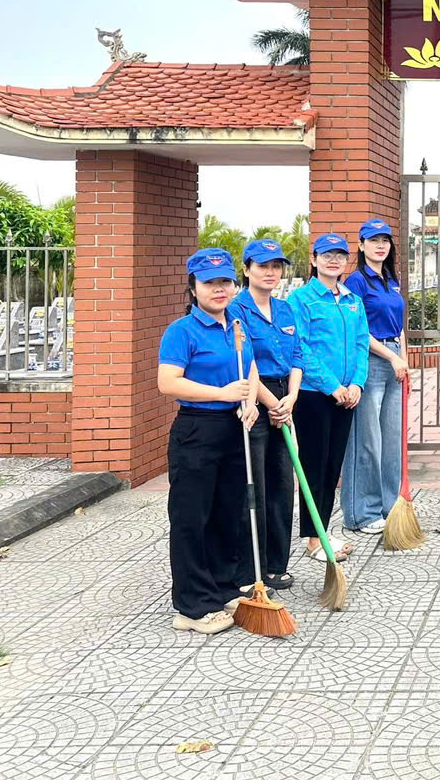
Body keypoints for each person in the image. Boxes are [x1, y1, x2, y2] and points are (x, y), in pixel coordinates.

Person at [156, 248, 258, 635]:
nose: (219, 289)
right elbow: (168, 382)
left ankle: (222, 587)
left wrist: (250, 402)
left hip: (234, 427)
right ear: (193, 288)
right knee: (191, 518)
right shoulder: (181, 331)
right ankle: (192, 605)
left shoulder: (237, 325)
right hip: (197, 429)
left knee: (227, 512)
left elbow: (250, 367)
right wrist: (222, 394)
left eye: (225, 282)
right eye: (209, 282)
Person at [286, 233, 368, 563]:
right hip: (315, 395)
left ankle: (323, 529)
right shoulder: (301, 299)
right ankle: (312, 538)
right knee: (314, 466)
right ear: (314, 260)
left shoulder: (352, 300)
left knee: (333, 466)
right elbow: (300, 348)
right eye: (326, 255)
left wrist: (357, 383)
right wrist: (332, 385)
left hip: (348, 395)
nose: (333, 261)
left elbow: (361, 343)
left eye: (339, 255)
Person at [230, 238, 301, 591]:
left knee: (282, 484)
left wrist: (291, 399)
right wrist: (271, 404)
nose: (270, 272)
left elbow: (297, 355)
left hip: (285, 397)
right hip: (254, 399)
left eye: (276, 266)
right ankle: (251, 570)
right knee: (254, 486)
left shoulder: (285, 309)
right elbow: (246, 362)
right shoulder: (237, 309)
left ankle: (276, 564)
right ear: (246, 270)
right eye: (262, 266)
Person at [342, 219, 409, 534]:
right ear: (361, 245)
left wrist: (403, 360)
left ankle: (391, 507)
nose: (380, 246)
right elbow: (359, 330)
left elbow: (399, 325)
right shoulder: (356, 282)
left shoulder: (392, 279)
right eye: (373, 240)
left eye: (385, 240)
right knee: (368, 441)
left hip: (395, 361)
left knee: (392, 442)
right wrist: (392, 357)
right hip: (370, 362)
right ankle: (363, 513)